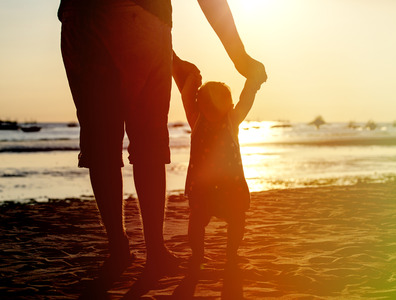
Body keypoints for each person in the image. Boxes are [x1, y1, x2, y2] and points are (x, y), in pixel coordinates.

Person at [58, 0, 267, 286]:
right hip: (141, 16)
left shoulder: (222, 122)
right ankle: (154, 251)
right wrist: (238, 55)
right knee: (147, 144)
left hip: (81, 15)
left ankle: (120, 250)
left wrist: (174, 60)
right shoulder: (211, 120)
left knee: (101, 142)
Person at [180, 73, 265, 268]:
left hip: (230, 186)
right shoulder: (196, 119)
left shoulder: (231, 120)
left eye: (219, 103)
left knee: (237, 219)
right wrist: (191, 80)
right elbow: (186, 97)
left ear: (228, 105)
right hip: (203, 187)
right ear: (200, 104)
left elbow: (246, 101)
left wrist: (253, 82)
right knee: (197, 221)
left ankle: (231, 253)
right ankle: (198, 254)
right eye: (208, 103)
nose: (213, 108)